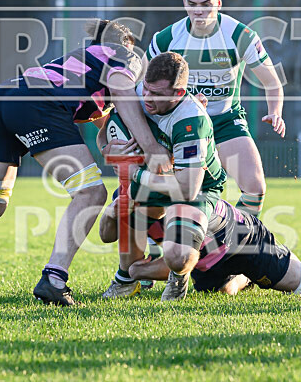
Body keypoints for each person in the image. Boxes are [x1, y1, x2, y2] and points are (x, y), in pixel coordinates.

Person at [0, 20, 171, 307]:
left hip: (2, 98)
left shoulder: (82, 62)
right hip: (36, 104)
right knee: (91, 193)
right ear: (125, 44)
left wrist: (109, 148)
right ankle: (54, 278)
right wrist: (151, 147)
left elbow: (104, 130)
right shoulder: (126, 56)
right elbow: (123, 90)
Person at [146, 0, 285, 218]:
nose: (198, 11)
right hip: (178, 124)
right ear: (184, 2)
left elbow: (272, 83)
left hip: (224, 119)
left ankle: (232, 247)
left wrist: (275, 112)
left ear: (219, 3)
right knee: (161, 195)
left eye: (206, 4)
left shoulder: (240, 36)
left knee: (255, 189)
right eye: (192, 4)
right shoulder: (166, 38)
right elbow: (141, 87)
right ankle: (157, 249)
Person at [98, 193, 301, 299]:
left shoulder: (184, 208)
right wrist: (112, 213)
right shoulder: (133, 196)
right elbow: (105, 235)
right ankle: (244, 279)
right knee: (217, 293)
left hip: (244, 240)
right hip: (212, 255)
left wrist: (138, 270)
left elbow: (178, 261)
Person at [98, 52, 229, 300]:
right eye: (146, 88)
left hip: (198, 188)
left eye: (157, 94)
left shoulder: (191, 120)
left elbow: (187, 189)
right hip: (153, 176)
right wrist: (109, 151)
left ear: (178, 94)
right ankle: (126, 279)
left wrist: (135, 174)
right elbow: (102, 137)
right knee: (120, 213)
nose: (146, 97)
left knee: (178, 257)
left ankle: (179, 275)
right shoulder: (136, 93)